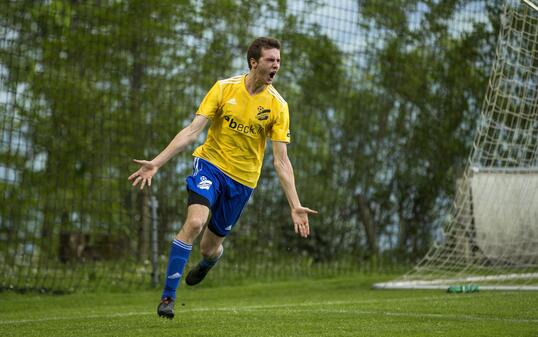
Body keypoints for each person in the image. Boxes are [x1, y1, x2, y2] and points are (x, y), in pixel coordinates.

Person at [128, 37, 317, 319]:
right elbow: (192, 131)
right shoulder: (223, 88)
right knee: (194, 222)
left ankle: (209, 261)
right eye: (270, 60)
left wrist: (295, 204)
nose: (276, 65)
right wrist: (156, 163)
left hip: (242, 182)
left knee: (208, 247)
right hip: (210, 166)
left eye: (278, 60)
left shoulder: (278, 106)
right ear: (254, 63)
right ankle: (168, 297)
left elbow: (281, 160)